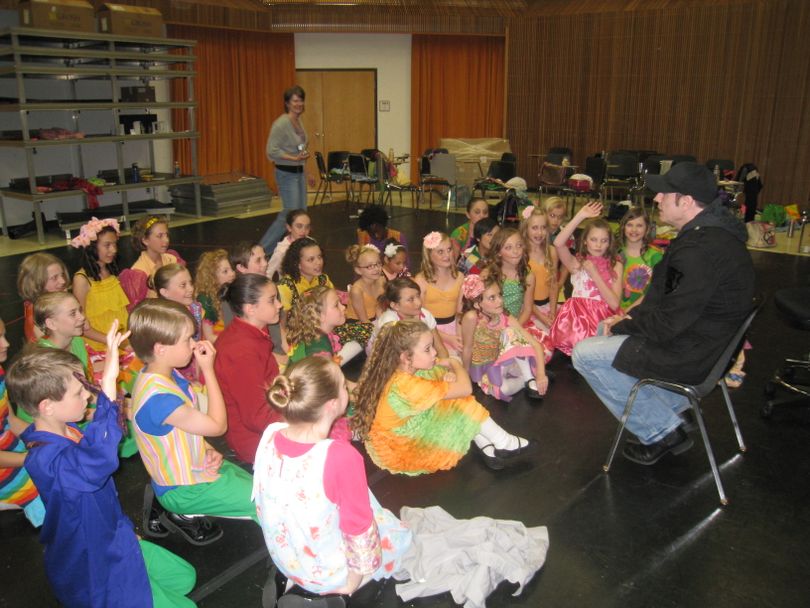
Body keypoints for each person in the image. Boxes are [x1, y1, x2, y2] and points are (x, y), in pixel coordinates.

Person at [572, 162, 755, 464]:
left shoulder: (699, 250)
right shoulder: (714, 233)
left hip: (691, 352)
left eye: (664, 194)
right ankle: (675, 410)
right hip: (710, 344)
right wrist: (628, 319)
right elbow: (672, 303)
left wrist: (624, 326)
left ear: (685, 201)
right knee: (606, 335)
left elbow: (670, 320)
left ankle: (662, 429)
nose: (656, 199)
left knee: (584, 354)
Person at [10, 322, 197, 607]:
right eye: (78, 392)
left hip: (112, 532)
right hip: (96, 560)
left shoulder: (68, 430)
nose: (88, 394)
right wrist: (108, 387)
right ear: (47, 406)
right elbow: (98, 462)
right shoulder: (45, 459)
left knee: (184, 578)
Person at [254, 357, 412, 603]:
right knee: (398, 539)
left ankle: (292, 581)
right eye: (343, 386)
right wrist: (352, 581)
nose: (347, 388)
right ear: (332, 405)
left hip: (284, 553)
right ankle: (329, 595)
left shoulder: (271, 433)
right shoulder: (339, 457)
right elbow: (359, 531)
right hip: (328, 573)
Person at [129, 299, 254, 545]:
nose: (195, 343)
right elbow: (218, 426)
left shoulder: (162, 372)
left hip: (193, 468)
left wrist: (208, 448)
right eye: (187, 339)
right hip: (183, 489)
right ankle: (293, 562)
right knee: (265, 503)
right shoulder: (160, 400)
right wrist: (209, 369)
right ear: (161, 349)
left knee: (260, 487)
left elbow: (180, 430)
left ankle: (173, 507)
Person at [352, 319, 533, 475]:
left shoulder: (404, 367)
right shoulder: (405, 386)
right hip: (399, 445)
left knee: (450, 393)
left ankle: (487, 444)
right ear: (406, 357)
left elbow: (439, 368)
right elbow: (465, 388)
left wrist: (448, 374)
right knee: (460, 401)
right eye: (427, 349)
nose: (434, 353)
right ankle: (503, 442)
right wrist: (454, 363)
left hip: (403, 425)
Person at [214, 274, 284, 464]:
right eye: (272, 300)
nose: (279, 305)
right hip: (255, 440)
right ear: (250, 309)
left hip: (272, 413)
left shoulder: (251, 331)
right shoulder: (241, 352)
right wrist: (302, 421)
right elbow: (256, 416)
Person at [460, 274, 548, 402]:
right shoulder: (472, 317)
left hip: (504, 361)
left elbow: (534, 344)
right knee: (503, 390)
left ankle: (530, 377)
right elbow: (467, 348)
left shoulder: (505, 317)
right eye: (492, 298)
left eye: (500, 295)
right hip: (486, 366)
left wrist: (541, 374)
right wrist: (465, 374)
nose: (500, 301)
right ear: (477, 305)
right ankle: (527, 378)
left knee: (510, 332)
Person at [550, 202, 623, 356]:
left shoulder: (615, 265)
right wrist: (580, 215)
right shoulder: (577, 263)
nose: (598, 245)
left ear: (610, 243)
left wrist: (594, 273)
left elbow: (615, 304)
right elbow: (558, 243)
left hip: (602, 322)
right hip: (577, 323)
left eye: (604, 241)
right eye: (593, 239)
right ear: (585, 241)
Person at [0, 316, 45, 527]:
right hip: (7, 462)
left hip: (12, 450)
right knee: (51, 492)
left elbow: (10, 420)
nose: (6, 344)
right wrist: (30, 458)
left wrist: (48, 435)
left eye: (3, 335)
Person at [261, 85, 311, 254]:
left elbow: (301, 150)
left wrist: (307, 171)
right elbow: (271, 151)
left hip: (299, 172)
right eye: (295, 101)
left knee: (301, 212)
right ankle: (262, 249)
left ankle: (297, 247)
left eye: (301, 100)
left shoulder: (299, 121)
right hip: (286, 174)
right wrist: (293, 159)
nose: (299, 104)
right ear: (288, 103)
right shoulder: (281, 124)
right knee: (289, 214)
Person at [368, 277, 448, 358]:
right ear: (395, 305)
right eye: (411, 299)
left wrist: (445, 367)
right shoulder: (389, 323)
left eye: (418, 296)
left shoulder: (425, 315)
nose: (419, 303)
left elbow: (439, 347)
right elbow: (391, 359)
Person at [287, 285, 364, 367]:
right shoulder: (319, 349)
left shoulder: (316, 333)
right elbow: (323, 378)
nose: (343, 307)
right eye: (336, 305)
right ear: (319, 315)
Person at [414, 231, 464, 354]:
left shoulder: (459, 277)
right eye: (440, 252)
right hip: (429, 331)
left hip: (454, 329)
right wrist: (447, 338)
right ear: (429, 255)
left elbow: (459, 313)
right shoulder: (421, 280)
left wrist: (459, 336)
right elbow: (418, 317)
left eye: (449, 249)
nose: (447, 255)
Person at [616, 207, 663, 312]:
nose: (634, 230)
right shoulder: (616, 253)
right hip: (615, 311)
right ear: (623, 227)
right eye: (629, 225)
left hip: (642, 312)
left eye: (639, 225)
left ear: (647, 228)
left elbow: (656, 290)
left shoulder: (655, 256)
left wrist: (627, 312)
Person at [16, 252, 69, 342]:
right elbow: (54, 348)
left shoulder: (49, 303)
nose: (63, 281)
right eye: (54, 278)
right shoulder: (38, 314)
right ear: (36, 283)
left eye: (62, 275)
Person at [520, 206, 558, 329]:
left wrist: (552, 311)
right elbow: (523, 293)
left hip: (548, 305)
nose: (540, 233)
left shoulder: (551, 252)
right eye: (534, 228)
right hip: (528, 308)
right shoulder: (521, 254)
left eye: (543, 228)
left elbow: (553, 284)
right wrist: (542, 317)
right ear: (526, 229)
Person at [129, 215, 182, 301]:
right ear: (145, 240)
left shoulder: (172, 259)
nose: (166, 240)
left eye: (167, 235)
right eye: (160, 236)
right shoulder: (139, 272)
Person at [194, 248, 235, 338]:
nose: (232, 274)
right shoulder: (205, 300)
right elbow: (209, 337)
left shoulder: (231, 291)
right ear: (212, 276)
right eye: (225, 271)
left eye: (232, 269)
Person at [266, 209, 311, 280]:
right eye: (299, 226)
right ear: (289, 227)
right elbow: (268, 273)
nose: (303, 230)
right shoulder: (282, 250)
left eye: (307, 227)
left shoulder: (311, 242)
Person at [345, 244, 385, 323]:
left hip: (377, 318)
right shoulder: (357, 290)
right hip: (359, 323)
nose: (376, 269)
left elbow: (383, 306)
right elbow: (364, 320)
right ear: (358, 270)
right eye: (370, 266)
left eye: (378, 263)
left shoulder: (382, 280)